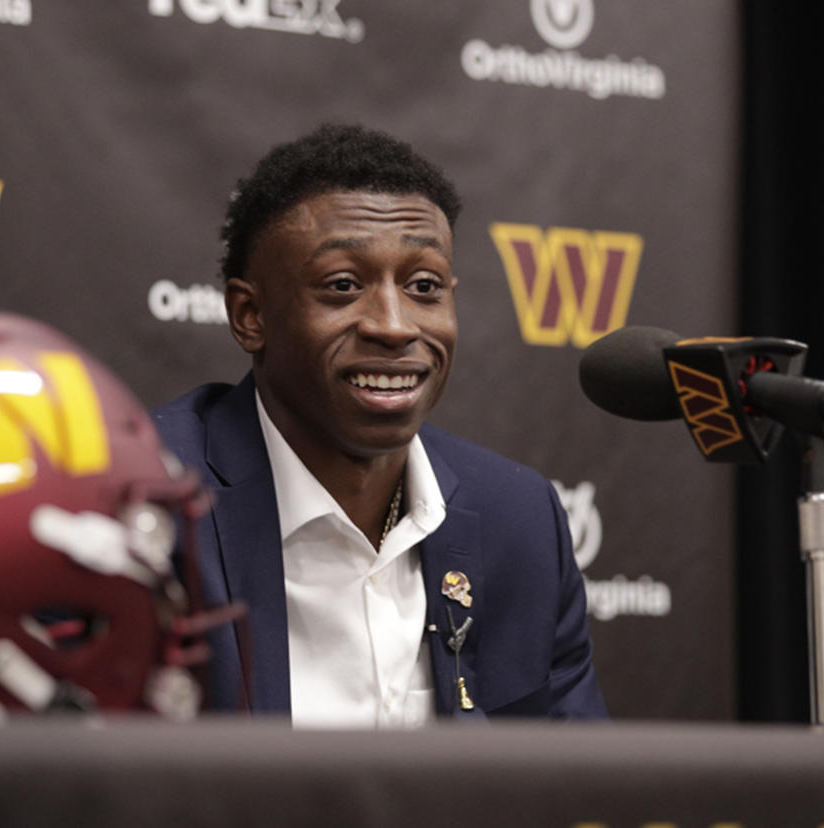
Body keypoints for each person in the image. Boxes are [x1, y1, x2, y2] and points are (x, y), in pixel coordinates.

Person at [152, 124, 606, 725]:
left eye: (424, 286)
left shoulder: (518, 518)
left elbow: (567, 782)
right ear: (250, 315)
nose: (394, 326)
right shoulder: (148, 498)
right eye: (343, 286)